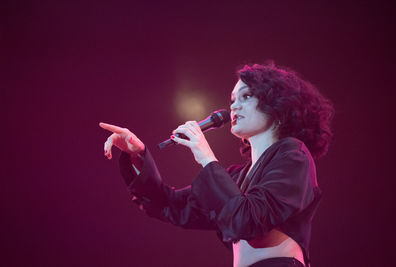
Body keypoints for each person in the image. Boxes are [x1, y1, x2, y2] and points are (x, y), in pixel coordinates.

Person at [99, 62, 334, 267]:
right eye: (232, 99)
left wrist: (204, 155)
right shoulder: (235, 178)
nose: (234, 106)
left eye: (247, 96)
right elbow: (170, 205)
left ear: (277, 106)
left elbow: (248, 221)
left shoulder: (294, 155)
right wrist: (138, 154)